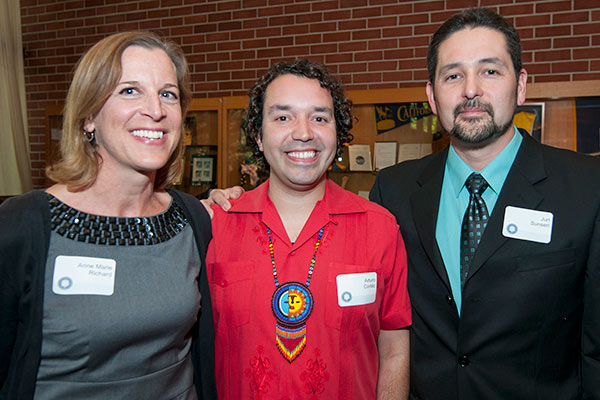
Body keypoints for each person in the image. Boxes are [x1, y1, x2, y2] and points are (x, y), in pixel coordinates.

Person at [369, 7, 600, 400]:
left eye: (490, 71)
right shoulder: (394, 191)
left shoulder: (586, 188)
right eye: (453, 75)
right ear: (431, 95)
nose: (470, 89)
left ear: (521, 86)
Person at [0, 32, 216, 399]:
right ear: (88, 116)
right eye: (130, 90)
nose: (156, 110)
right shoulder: (24, 225)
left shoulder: (193, 219)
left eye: (168, 94)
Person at [206, 59, 411, 399]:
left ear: (337, 133)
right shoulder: (218, 224)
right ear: (258, 136)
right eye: (283, 117)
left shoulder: (380, 228)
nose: (303, 132)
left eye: (319, 118)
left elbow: (394, 347)